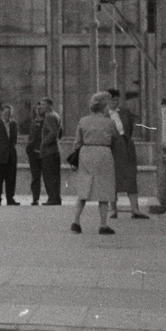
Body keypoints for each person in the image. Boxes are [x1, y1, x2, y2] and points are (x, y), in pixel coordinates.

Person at [68, 91, 119, 236]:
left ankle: (76, 222)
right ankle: (103, 224)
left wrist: (75, 158)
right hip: (104, 153)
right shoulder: (109, 122)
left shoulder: (83, 121)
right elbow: (115, 137)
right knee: (104, 188)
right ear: (104, 108)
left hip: (86, 153)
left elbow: (77, 141)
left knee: (84, 188)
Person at [108, 91, 146, 220]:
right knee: (112, 177)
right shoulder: (104, 115)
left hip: (126, 144)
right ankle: (113, 208)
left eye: (117, 99)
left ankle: (135, 208)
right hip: (112, 147)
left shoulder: (124, 112)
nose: (115, 102)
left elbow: (129, 128)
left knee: (130, 176)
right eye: (112, 100)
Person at [38, 98, 64, 206]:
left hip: (49, 151)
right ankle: (55, 197)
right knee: (55, 175)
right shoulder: (56, 115)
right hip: (55, 150)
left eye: (44, 104)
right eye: (41, 104)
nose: (41, 107)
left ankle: (52, 198)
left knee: (49, 175)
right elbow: (60, 132)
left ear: (49, 105)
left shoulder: (49, 117)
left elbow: (54, 133)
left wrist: (44, 143)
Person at [26, 103, 45, 203]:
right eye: (36, 109)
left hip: (44, 151)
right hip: (33, 152)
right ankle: (35, 197)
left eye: (40, 109)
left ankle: (52, 197)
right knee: (35, 176)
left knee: (47, 175)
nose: (38, 111)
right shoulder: (33, 122)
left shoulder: (47, 121)